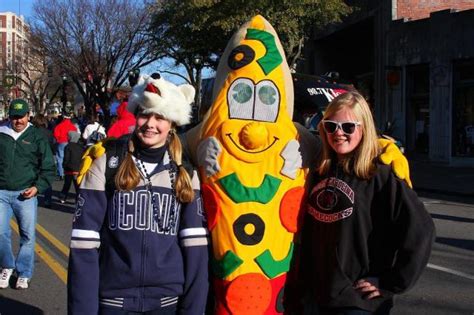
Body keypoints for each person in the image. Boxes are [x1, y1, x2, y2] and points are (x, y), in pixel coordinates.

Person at [68, 75, 209, 314]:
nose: (150, 124)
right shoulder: (108, 164)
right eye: (145, 114)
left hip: (167, 303)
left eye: (160, 117)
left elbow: (196, 251)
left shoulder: (185, 173)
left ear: (172, 123)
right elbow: (83, 243)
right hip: (113, 301)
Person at [300, 92, 435, 315]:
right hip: (317, 297)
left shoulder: (380, 172)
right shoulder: (319, 169)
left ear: (364, 129)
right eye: (331, 126)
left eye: (348, 127)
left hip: (357, 302)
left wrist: (391, 282)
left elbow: (422, 230)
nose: (338, 133)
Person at [0, 99, 56, 289]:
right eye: (15, 117)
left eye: (21, 117)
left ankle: (24, 272)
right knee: (0, 233)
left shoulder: (37, 136)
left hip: (25, 194)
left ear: (28, 116)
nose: (18, 121)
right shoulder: (1, 133)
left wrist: (38, 187)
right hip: (2, 192)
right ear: (10, 116)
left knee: (28, 235)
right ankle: (7, 265)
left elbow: (49, 167)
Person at [31, 113, 56, 207]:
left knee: (33, 178)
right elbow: (53, 145)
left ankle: (33, 198)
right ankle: (47, 200)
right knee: (46, 178)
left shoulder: (32, 132)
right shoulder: (49, 132)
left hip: (35, 158)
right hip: (47, 157)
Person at [60, 131, 85, 204]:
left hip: (69, 169)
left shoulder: (68, 146)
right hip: (78, 169)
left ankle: (63, 197)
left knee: (67, 184)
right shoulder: (81, 147)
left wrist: (64, 166)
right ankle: (78, 199)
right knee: (77, 186)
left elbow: (66, 158)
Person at [53, 109, 78, 179]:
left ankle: (61, 174)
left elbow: (55, 134)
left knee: (60, 158)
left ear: (63, 118)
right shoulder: (73, 126)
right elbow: (75, 134)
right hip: (70, 143)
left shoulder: (59, 126)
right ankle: (69, 172)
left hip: (61, 142)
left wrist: (58, 139)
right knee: (69, 158)